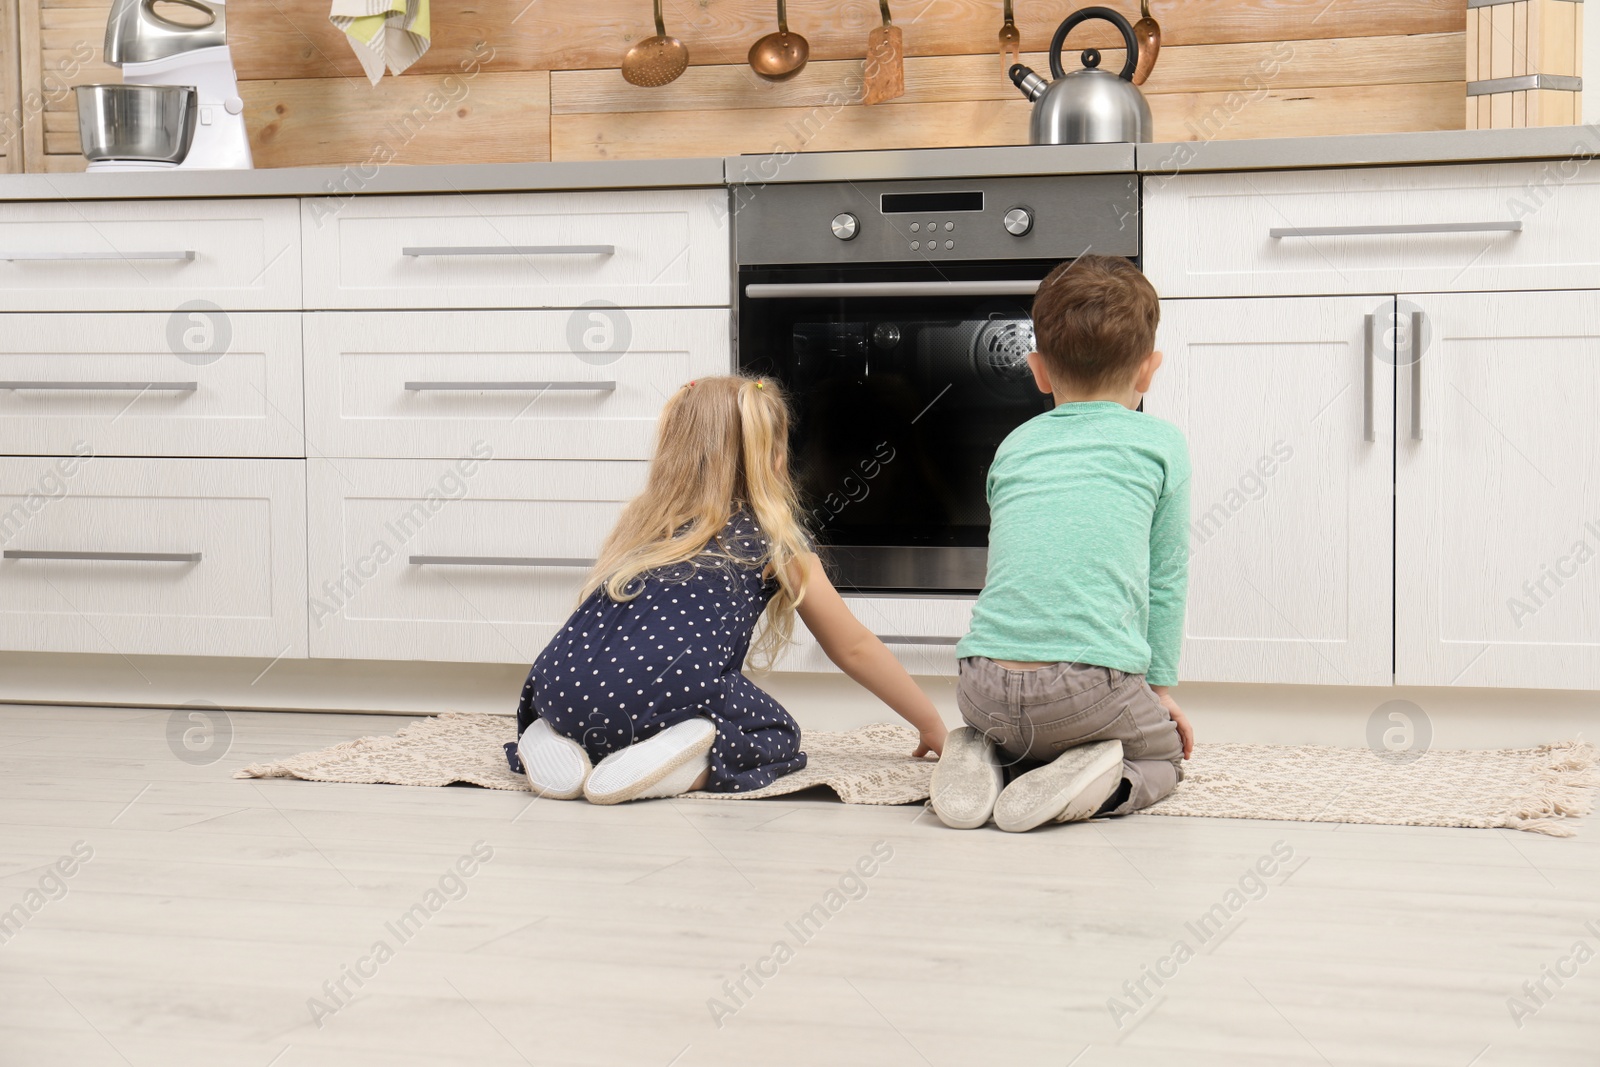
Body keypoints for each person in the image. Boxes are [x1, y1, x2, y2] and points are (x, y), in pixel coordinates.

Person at [509, 375, 948, 805]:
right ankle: (676, 762)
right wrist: (929, 722)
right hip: (656, 696)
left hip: (555, 685)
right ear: (773, 458)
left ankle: (547, 737)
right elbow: (851, 646)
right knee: (777, 734)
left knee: (608, 706)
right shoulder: (775, 538)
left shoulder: (645, 525)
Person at [931, 255, 1194, 833]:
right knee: (1164, 755)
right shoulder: (1161, 445)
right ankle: (1093, 778)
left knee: (1027, 724)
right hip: (1089, 690)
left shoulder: (1015, 444)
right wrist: (1159, 695)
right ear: (1149, 370)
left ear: (1037, 369)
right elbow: (1166, 578)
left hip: (980, 689)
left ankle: (985, 750)